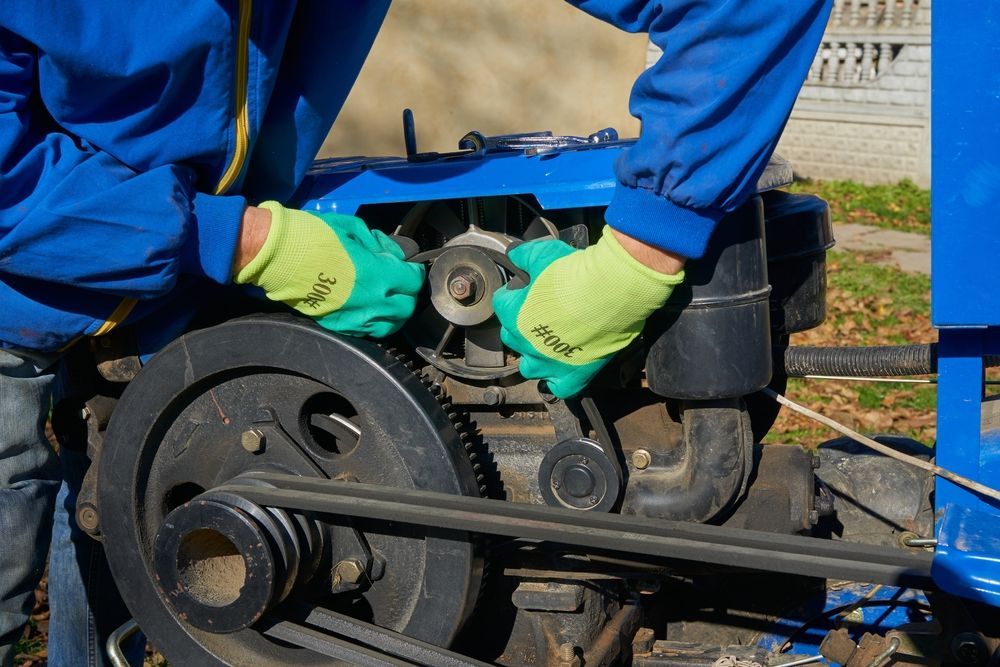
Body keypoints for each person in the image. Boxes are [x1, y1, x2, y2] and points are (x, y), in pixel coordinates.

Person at [0, 1, 831, 665]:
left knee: (130, 559)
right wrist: (243, 241)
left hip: (168, 320)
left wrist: (645, 251)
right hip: (18, 298)